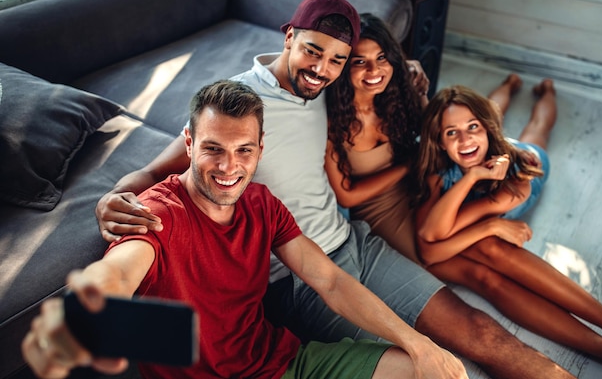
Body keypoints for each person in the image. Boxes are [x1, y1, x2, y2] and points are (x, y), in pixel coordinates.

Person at [94, 0, 576, 378]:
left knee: (477, 331)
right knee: (414, 364)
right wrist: (112, 198)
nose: (322, 69)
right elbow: (157, 174)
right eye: (312, 51)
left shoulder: (331, 87)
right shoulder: (241, 107)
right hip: (295, 277)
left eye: (337, 60)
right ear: (288, 38)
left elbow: (378, 74)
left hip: (355, 243)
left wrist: (407, 73)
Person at [22, 80, 467, 379]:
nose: (229, 167)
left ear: (259, 149)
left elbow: (329, 280)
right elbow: (119, 271)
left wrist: (418, 342)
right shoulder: (160, 211)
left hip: (280, 363)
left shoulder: (261, 203)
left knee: (420, 369)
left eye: (243, 150)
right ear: (190, 143)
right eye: (213, 149)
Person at [324, 13, 602, 371]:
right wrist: (410, 163)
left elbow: (442, 125)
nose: (374, 70)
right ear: (344, 65)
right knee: (483, 270)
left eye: (382, 58)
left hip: (428, 188)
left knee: (511, 127)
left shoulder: (398, 90)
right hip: (387, 215)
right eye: (359, 61)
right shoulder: (336, 118)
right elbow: (346, 196)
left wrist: (415, 86)